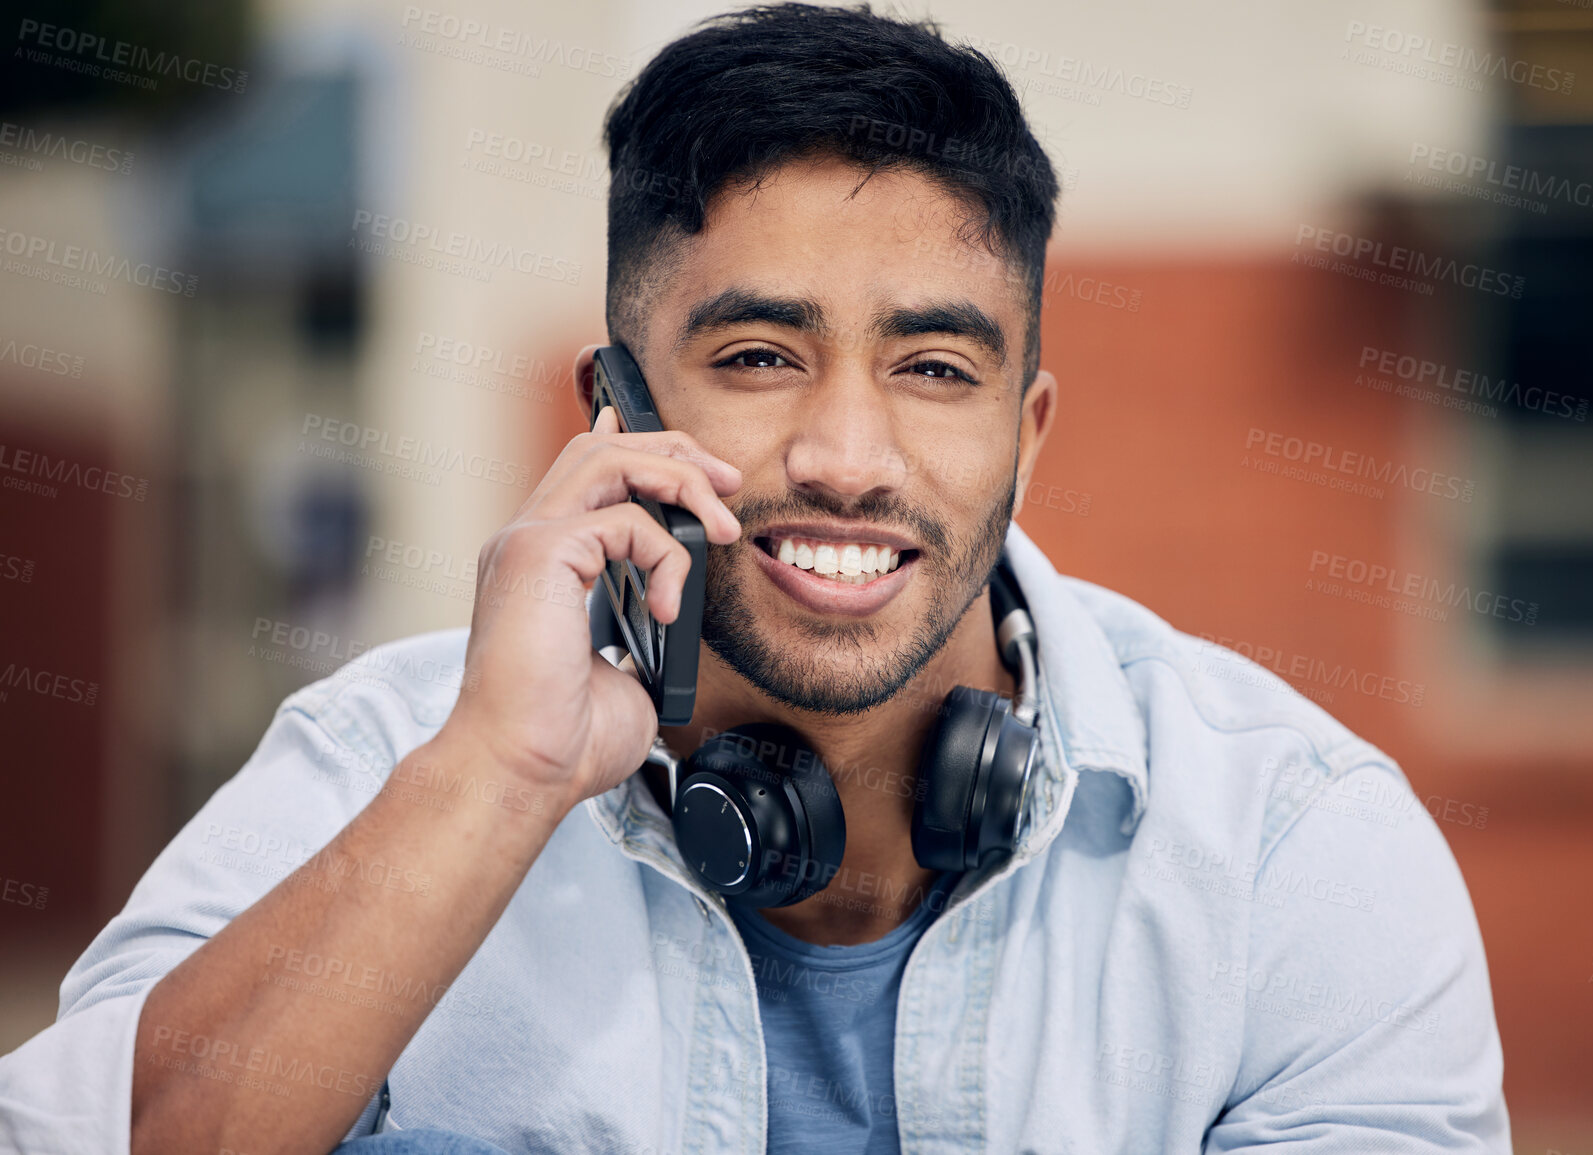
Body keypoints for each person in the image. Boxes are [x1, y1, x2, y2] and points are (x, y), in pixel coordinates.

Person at [0, 5, 1511, 1153]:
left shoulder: (1295, 855)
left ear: (1025, 435)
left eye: (932, 367)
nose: (848, 454)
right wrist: (502, 774)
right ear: (619, 412)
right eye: (757, 358)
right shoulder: (381, 772)